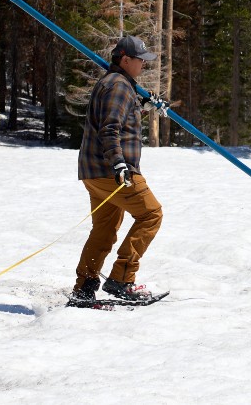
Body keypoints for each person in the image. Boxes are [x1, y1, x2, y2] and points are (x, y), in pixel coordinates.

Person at [72, 35, 164, 302]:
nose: (144, 66)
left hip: (94, 172)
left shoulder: (115, 84)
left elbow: (119, 120)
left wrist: (143, 108)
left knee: (104, 230)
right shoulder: (120, 87)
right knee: (151, 214)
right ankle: (122, 278)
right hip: (111, 171)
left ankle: (85, 288)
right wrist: (119, 163)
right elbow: (109, 129)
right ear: (126, 60)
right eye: (140, 61)